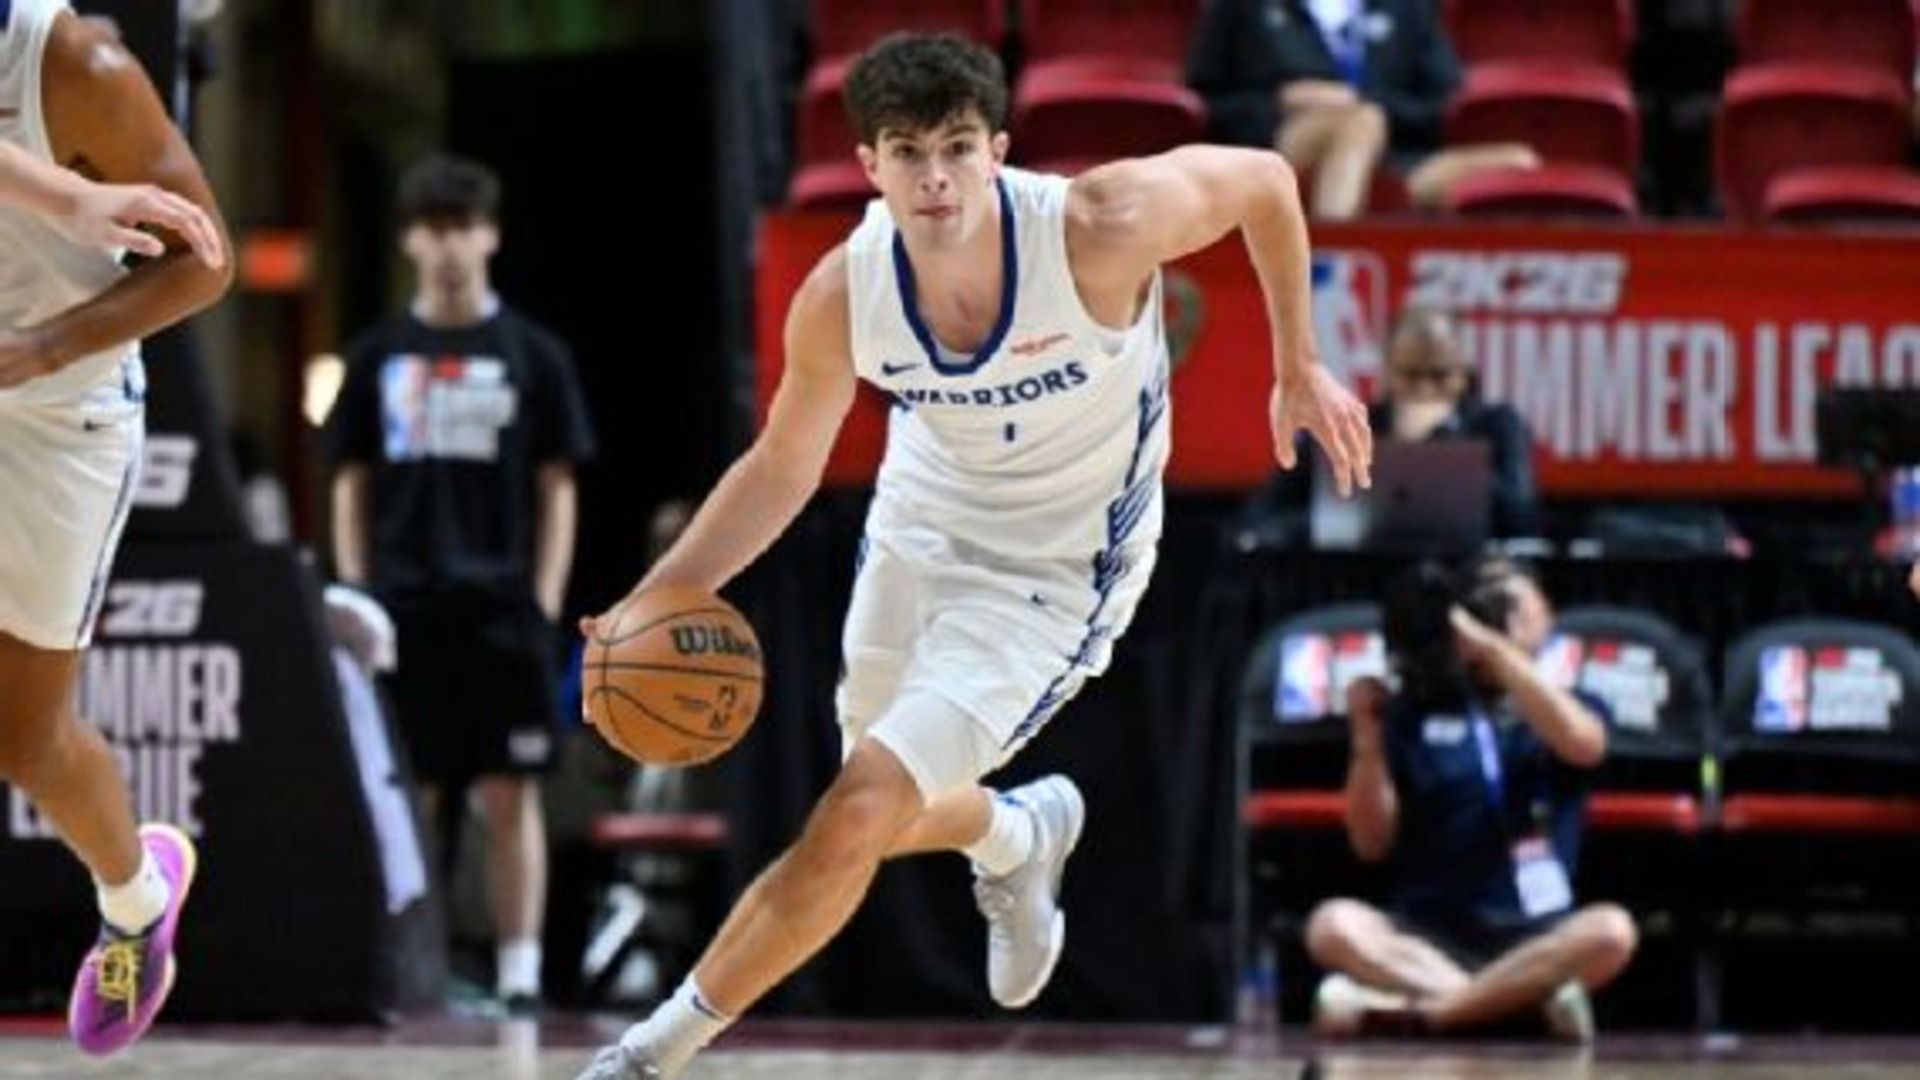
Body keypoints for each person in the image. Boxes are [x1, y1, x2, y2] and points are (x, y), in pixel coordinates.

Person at [575, 32, 1373, 1080]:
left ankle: (648, 1054)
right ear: (869, 166)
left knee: (858, 812)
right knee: (874, 809)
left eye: (957, 147)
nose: (936, 178)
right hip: (922, 518)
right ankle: (1012, 833)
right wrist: (651, 600)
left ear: (997, 150)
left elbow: (1266, 181)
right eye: (908, 153)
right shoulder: (843, 293)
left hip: (1056, 570)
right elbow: (780, 467)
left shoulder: (1098, 226)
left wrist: (1298, 364)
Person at [0, 0, 232, 1057]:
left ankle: (136, 900)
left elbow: (206, 263)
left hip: (60, 414)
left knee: (23, 738)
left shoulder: (79, 63)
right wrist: (64, 196)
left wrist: (43, 348)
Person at [325, 153, 596, 1011]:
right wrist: (358, 590)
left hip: (501, 606)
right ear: (410, 240)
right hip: (403, 607)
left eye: (463, 228)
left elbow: (558, 484)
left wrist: (544, 598)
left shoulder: (533, 355)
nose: (448, 247)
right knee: (410, 795)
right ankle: (411, 965)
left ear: (491, 236)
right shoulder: (376, 356)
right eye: (433, 230)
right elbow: (349, 481)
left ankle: (519, 975)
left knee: (511, 794)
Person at [1304, 558, 1638, 1042]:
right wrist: (1367, 741)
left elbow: (1584, 745)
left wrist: (1497, 655)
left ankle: (1427, 1016)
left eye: (1515, 602)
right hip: (1427, 939)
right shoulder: (1410, 714)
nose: (1507, 614)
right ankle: (1521, 1010)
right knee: (1332, 926)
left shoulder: (1568, 703)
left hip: (1536, 937)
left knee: (1611, 932)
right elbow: (1370, 843)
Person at [1187, 0, 1540, 219]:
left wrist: (1362, 99)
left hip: (1392, 155)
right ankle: (1333, 256)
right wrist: (1278, 100)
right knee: (1358, 124)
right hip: (1280, 148)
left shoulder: (1409, 7)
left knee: (1517, 161)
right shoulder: (1243, 6)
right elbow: (1207, 103)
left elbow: (1440, 107)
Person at [1238, 305, 1539, 544]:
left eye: (1440, 375)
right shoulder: (1347, 428)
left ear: (1464, 375)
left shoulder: (1498, 425)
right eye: (1410, 375)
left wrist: (1443, 446)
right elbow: (1260, 519)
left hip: (1464, 573)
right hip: (1359, 575)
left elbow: (1523, 520)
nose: (1424, 389)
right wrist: (1336, 521)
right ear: (1387, 373)